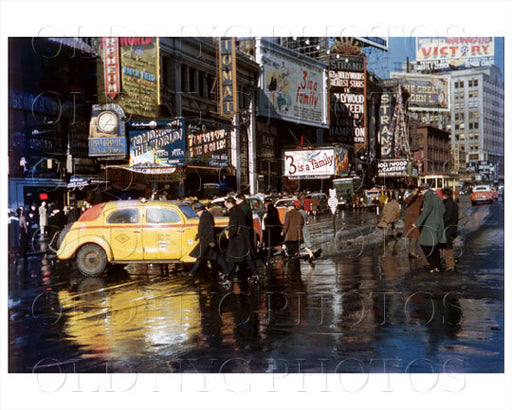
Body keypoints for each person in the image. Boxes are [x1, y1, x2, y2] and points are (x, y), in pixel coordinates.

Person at [187, 202, 229, 278]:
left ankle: (192, 273)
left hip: (207, 241)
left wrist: (211, 241)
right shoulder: (205, 215)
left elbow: (209, 229)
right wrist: (198, 235)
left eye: (197, 212)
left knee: (202, 256)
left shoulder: (206, 216)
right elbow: (204, 228)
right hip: (207, 240)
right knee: (215, 257)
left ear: (200, 210)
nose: (196, 214)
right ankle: (226, 271)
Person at [223, 197, 259, 283]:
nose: (225, 206)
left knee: (233, 258)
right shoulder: (238, 210)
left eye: (226, 204)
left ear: (229, 203)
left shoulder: (234, 212)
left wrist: (230, 235)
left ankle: (229, 278)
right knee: (247, 258)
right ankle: (255, 274)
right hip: (242, 238)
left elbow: (233, 226)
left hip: (237, 239)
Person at [412, 184, 446, 273]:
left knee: (425, 244)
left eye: (421, 191)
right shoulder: (436, 196)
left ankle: (433, 265)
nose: (420, 193)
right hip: (438, 223)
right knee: (434, 245)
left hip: (429, 224)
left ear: (424, 190)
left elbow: (426, 211)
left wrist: (417, 223)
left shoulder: (428, 197)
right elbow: (443, 210)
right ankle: (437, 266)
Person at [440, 188, 459, 272]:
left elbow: (447, 218)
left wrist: (441, 225)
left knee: (447, 246)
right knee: (447, 245)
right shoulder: (454, 204)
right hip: (453, 227)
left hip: (448, 228)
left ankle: (451, 265)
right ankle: (450, 264)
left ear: (444, 195)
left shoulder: (447, 204)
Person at [403, 185, 423, 258]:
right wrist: (414, 194)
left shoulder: (421, 197)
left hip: (416, 217)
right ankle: (412, 252)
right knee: (413, 235)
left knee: (414, 236)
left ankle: (411, 251)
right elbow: (406, 201)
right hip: (412, 218)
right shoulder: (411, 196)